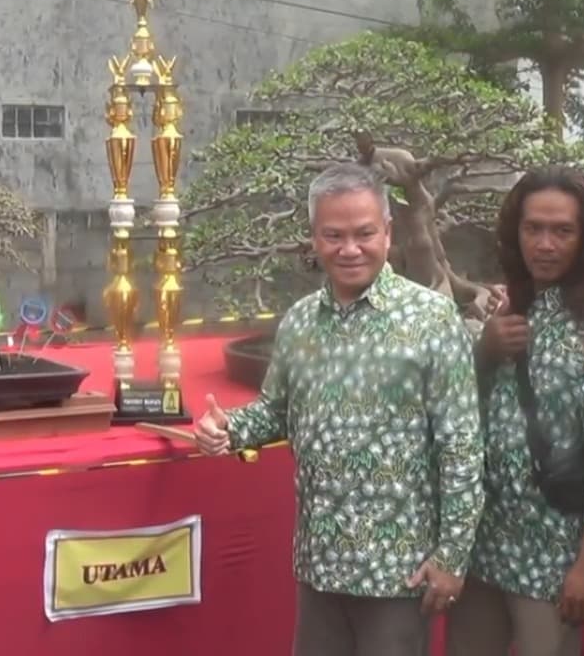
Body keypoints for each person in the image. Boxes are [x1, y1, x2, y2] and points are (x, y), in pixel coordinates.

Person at [194, 163, 484, 656]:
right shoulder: (301, 322)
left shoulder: (432, 318)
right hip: (321, 562)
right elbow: (277, 412)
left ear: (388, 232)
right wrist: (230, 428)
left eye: (364, 233)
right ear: (313, 239)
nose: (350, 249)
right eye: (334, 235)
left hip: (399, 569)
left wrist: (452, 556)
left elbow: (462, 447)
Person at [444, 167, 584, 656]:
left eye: (562, 231)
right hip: (482, 542)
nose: (545, 244)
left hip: (553, 553)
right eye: (534, 229)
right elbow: (461, 414)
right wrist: (484, 353)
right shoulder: (507, 311)